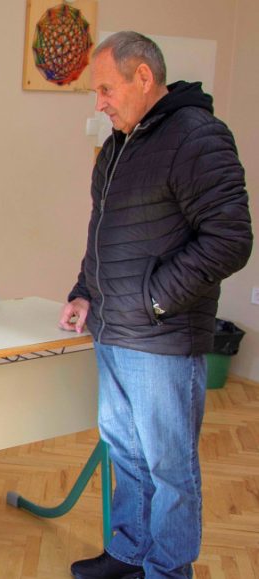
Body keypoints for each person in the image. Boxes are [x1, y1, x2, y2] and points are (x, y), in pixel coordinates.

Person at [59, 32, 252, 579]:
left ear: (143, 77)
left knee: (170, 468)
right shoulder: (120, 143)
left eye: (105, 88)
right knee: (127, 456)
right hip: (112, 329)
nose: (99, 101)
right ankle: (128, 554)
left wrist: (155, 299)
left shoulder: (197, 136)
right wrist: (84, 291)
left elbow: (231, 237)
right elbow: (105, 235)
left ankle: (167, 570)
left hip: (162, 339)